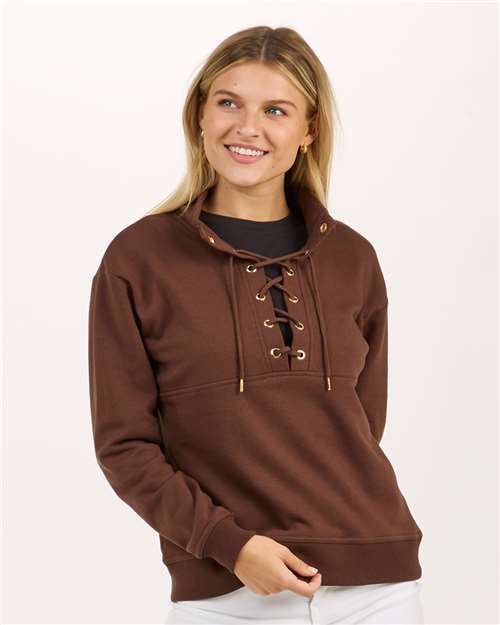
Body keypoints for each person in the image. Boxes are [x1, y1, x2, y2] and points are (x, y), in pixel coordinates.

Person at [88, 25, 425, 625]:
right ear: (199, 115)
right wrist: (231, 546)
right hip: (228, 597)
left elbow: (361, 424)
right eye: (229, 103)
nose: (248, 127)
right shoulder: (138, 259)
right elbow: (125, 447)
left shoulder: (352, 258)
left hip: (378, 589)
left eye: (276, 110)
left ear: (308, 130)